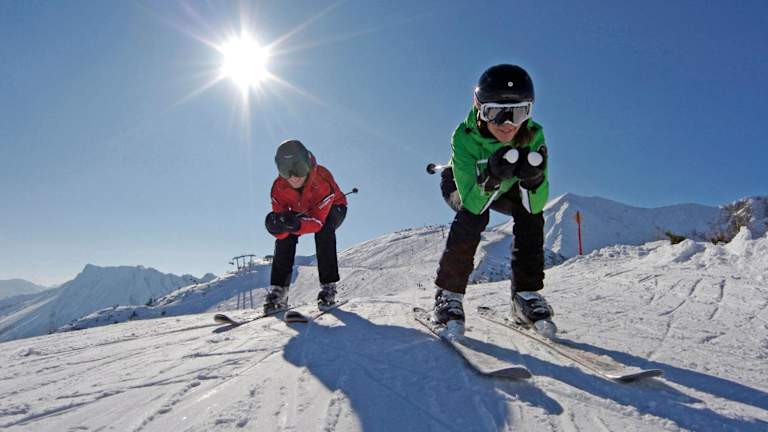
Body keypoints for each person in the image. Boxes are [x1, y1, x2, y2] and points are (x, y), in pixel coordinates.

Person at [433, 64, 555, 336]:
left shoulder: (534, 134)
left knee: (531, 215)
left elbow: (536, 204)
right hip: (463, 185)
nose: (508, 124)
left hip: (509, 185)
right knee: (473, 216)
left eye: (519, 113)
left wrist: (533, 182)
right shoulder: (463, 137)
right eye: (496, 113)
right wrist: (491, 178)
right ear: (480, 109)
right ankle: (448, 294)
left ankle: (525, 295)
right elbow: (472, 202)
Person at [263, 139, 348, 313]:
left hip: (333, 208)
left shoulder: (322, 179)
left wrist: (295, 225)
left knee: (325, 231)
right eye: (286, 171)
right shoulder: (278, 188)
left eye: (299, 168)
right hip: (301, 211)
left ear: (307, 164)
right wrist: (277, 228)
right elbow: (282, 228)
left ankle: (328, 287)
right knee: (286, 236)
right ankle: (279, 291)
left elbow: (318, 222)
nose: (293, 177)